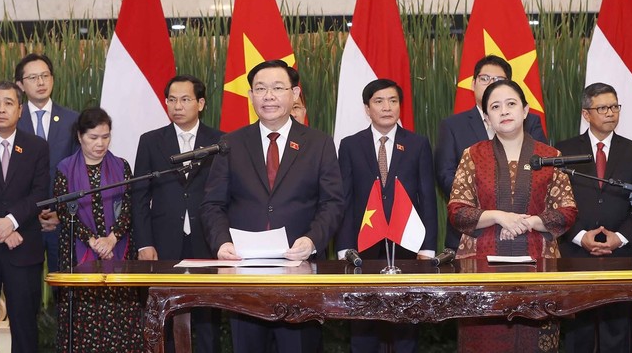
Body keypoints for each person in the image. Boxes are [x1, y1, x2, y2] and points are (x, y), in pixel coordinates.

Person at [201, 59, 344, 353]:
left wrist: (312, 239)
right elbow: (213, 203)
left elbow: (332, 202)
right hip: (245, 271)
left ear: (295, 93)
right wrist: (221, 242)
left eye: (278, 88)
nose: (268, 96)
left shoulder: (318, 143)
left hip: (299, 268)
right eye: (260, 89)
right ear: (251, 95)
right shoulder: (231, 143)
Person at [448, 79, 577, 352]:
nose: (504, 111)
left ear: (525, 109)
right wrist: (498, 216)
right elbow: (458, 212)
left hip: (539, 271)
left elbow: (566, 211)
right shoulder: (472, 155)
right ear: (487, 117)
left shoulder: (550, 156)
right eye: (495, 107)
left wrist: (527, 222)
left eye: (511, 104)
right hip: (481, 272)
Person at [335, 78, 438, 353]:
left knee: (405, 324)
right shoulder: (350, 145)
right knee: (363, 323)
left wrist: (427, 248)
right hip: (363, 247)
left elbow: (428, 198)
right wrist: (344, 247)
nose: (387, 107)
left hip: (407, 245)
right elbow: (343, 200)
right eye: (379, 101)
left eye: (393, 101)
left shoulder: (417, 144)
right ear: (367, 108)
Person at [133, 75, 223, 353]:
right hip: (164, 242)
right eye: (172, 100)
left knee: (207, 317)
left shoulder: (220, 141)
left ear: (201, 103)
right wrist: (144, 242)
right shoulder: (150, 141)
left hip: (207, 241)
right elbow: (139, 195)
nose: (177, 106)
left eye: (185, 99)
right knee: (166, 315)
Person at [556, 82, 632, 352]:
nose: (611, 113)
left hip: (618, 254)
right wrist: (580, 236)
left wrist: (619, 238)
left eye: (615, 107)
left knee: (616, 330)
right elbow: (556, 200)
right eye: (603, 108)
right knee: (577, 333)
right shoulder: (564, 150)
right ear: (586, 114)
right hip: (575, 252)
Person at [54, 107, 143, 352]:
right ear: (80, 136)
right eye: (93, 137)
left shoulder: (121, 167)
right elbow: (64, 211)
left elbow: (128, 208)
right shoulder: (65, 169)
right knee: (83, 317)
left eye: (105, 137)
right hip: (79, 251)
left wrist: (112, 239)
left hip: (118, 249)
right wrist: (93, 241)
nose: (100, 143)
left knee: (120, 315)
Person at [437, 54, 548, 250]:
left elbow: (542, 171)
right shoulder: (453, 125)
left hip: (526, 232)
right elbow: (446, 175)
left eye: (498, 80)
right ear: (472, 83)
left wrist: (515, 219)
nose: (490, 84)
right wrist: (489, 214)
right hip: (472, 234)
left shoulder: (530, 121)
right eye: (484, 78)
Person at [0, 81, 49, 353]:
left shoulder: (37, 147)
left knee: (25, 326)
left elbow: (40, 193)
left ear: (20, 110)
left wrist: (12, 221)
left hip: (23, 249)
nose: (1, 109)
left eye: (8, 103)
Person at [15, 53, 79, 279]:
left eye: (45, 76)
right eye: (33, 78)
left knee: (65, 290)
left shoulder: (73, 120)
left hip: (62, 222)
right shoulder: (12, 122)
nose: (40, 82)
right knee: (24, 290)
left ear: (52, 79)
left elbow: (78, 173)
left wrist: (61, 213)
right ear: (20, 85)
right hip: (22, 223)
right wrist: (28, 214)